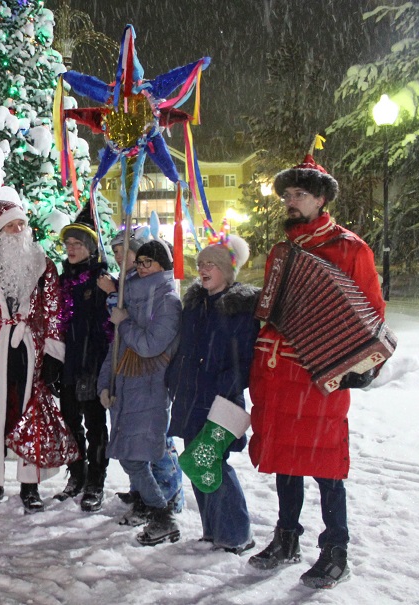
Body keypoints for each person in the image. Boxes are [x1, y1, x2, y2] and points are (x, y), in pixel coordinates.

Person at [247, 153, 385, 588]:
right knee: (286, 461)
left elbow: (372, 313)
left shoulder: (350, 248)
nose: (290, 201)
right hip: (280, 376)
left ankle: (335, 550)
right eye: (287, 194)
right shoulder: (280, 251)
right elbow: (270, 313)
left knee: (326, 465)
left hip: (320, 375)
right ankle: (287, 538)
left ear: (322, 198)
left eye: (299, 194)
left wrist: (361, 366)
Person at [0, 194, 77, 513]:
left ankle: (30, 485)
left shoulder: (43, 264)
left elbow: (55, 311)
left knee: (31, 416)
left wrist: (54, 356)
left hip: (32, 351)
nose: (17, 231)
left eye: (21, 225)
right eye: (10, 226)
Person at [166, 230, 258, 554]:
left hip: (221, 401)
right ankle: (212, 530)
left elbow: (245, 359)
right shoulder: (194, 305)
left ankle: (236, 534)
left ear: (228, 270)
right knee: (195, 464)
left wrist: (224, 386)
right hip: (190, 399)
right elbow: (184, 349)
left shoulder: (242, 308)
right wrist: (173, 379)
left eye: (212, 264)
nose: (204, 268)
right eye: (201, 262)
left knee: (213, 465)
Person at [97, 240, 181, 545]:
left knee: (136, 456)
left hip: (150, 388)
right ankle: (151, 506)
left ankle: (163, 515)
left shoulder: (168, 300)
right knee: (132, 454)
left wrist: (125, 322)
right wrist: (104, 383)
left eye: (149, 263)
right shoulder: (131, 296)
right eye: (141, 262)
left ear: (163, 265)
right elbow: (116, 348)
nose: (143, 268)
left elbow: (148, 345)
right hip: (125, 387)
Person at [54, 206, 113, 512]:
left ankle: (96, 481)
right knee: (69, 423)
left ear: (90, 249)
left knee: (95, 425)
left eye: (78, 244)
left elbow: (111, 325)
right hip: (69, 364)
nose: (72, 249)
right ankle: (76, 474)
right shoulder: (62, 281)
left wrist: (99, 368)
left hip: (93, 365)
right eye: (69, 244)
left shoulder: (102, 280)